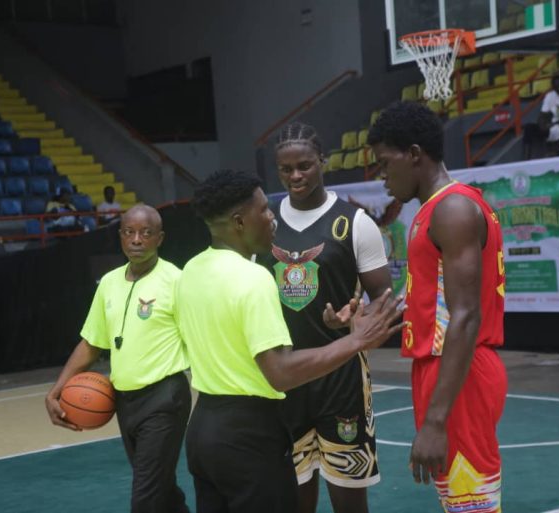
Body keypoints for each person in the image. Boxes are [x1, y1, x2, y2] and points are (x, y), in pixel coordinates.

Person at [175, 169, 404, 513]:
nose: (272, 218)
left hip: (203, 429)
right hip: (250, 432)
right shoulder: (253, 278)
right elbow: (280, 372)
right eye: (263, 210)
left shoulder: (190, 270)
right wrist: (355, 341)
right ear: (239, 222)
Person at [369, 101, 507, 512]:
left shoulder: (452, 209)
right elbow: (440, 304)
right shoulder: (438, 210)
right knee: (459, 501)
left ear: (414, 154)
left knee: (472, 503)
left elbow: (465, 315)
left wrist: (434, 421)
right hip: (445, 366)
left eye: (384, 163)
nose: (381, 175)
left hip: (459, 371)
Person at [261, 122, 392, 513]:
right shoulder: (264, 224)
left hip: (342, 377)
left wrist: (355, 318)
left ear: (323, 161)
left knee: (349, 502)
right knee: (292, 499)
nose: (295, 176)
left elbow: (385, 303)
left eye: (304, 166)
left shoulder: (356, 222)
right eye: (286, 169)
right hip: (283, 377)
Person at [45, 204, 191, 513]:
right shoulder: (109, 283)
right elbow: (91, 343)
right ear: (121, 236)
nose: (137, 239)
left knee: (145, 498)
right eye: (129, 232)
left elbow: (200, 338)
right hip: (124, 401)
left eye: (146, 233)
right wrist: (56, 390)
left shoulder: (177, 281)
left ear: (160, 238)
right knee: (161, 491)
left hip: (165, 398)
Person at [525, 74, 559, 157]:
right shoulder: (549, 96)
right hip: (554, 127)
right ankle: (526, 158)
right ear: (553, 87)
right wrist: (542, 125)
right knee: (529, 128)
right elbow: (542, 114)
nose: (558, 88)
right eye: (556, 87)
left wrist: (555, 124)